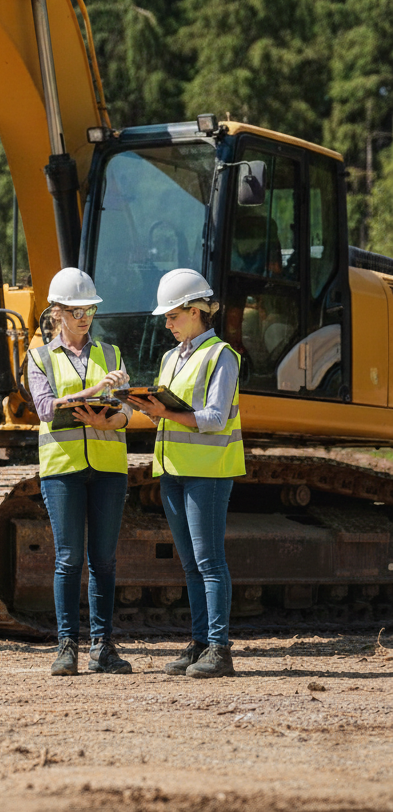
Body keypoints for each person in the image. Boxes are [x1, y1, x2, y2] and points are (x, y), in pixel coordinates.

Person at [128, 268, 245, 679]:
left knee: (210, 561)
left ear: (196, 312)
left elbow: (213, 418)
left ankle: (220, 649)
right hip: (174, 470)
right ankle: (200, 643)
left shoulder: (222, 356)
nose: (167, 323)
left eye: (173, 315)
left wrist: (167, 413)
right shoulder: (169, 358)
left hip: (208, 472)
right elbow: (168, 413)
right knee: (192, 564)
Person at [28, 267, 132, 676]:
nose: (84, 317)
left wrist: (116, 419)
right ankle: (67, 646)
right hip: (63, 469)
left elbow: (126, 408)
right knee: (69, 560)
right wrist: (94, 392)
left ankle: (103, 648)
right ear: (56, 312)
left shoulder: (112, 353)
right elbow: (46, 408)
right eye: (75, 311)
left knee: (104, 562)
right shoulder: (39, 357)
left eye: (88, 309)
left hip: (108, 467)